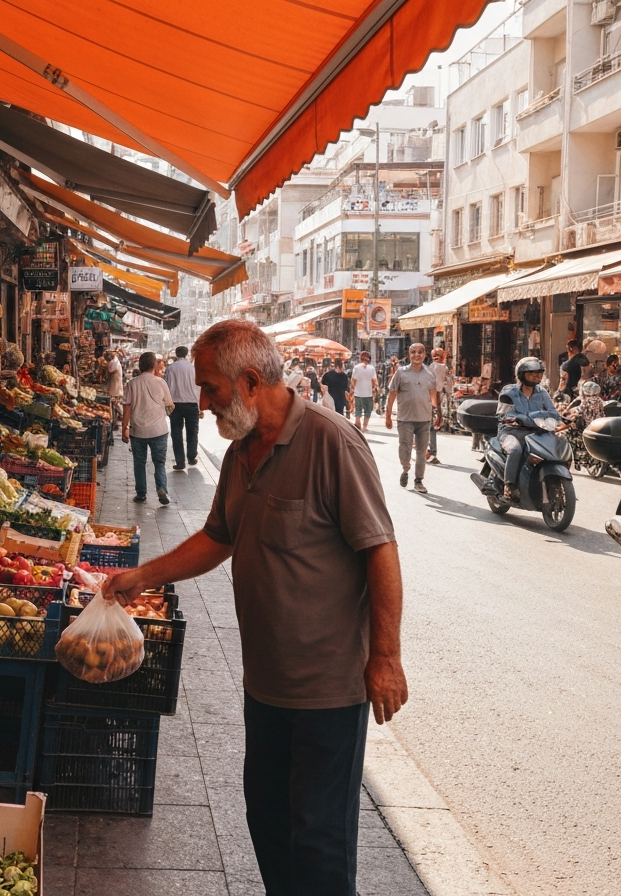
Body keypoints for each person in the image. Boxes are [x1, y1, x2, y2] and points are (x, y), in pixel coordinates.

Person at [105, 320, 405, 896]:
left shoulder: (332, 442)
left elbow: (380, 550)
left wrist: (386, 657)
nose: (203, 402)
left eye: (211, 388)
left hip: (326, 690)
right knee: (267, 820)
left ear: (248, 382)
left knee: (319, 840)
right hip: (264, 683)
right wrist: (142, 577)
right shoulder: (242, 450)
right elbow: (219, 536)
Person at [496, 358, 561, 501]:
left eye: (539, 373)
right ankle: (509, 486)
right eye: (532, 373)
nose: (537, 376)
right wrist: (517, 418)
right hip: (511, 432)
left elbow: (552, 412)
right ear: (521, 374)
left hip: (536, 431)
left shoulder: (542, 392)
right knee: (515, 450)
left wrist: (560, 420)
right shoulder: (509, 391)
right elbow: (504, 414)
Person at [121, 352, 175, 505]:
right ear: (154, 366)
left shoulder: (132, 384)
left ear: (140, 365)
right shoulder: (161, 382)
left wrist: (124, 428)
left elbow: (127, 407)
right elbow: (170, 405)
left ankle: (141, 494)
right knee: (159, 463)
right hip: (159, 430)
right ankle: (161, 489)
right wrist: (164, 412)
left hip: (138, 431)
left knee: (139, 462)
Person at [384, 343, 438, 493]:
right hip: (405, 419)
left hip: (424, 419)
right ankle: (405, 468)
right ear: (409, 355)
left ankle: (418, 480)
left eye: (420, 352)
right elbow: (392, 394)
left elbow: (433, 396)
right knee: (405, 448)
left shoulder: (430, 374)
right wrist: (388, 416)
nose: (417, 355)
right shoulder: (401, 373)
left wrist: (437, 413)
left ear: (425, 354)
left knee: (421, 451)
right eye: (413, 352)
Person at [165, 345, 202, 471]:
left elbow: (167, 387)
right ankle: (191, 457)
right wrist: (200, 407)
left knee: (176, 433)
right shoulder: (193, 369)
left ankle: (180, 462)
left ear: (176, 354)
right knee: (192, 432)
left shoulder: (171, 368)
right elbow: (198, 388)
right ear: (186, 354)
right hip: (192, 404)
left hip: (175, 405)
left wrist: (167, 405)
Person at [426, 348, 452, 464]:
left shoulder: (432, 367)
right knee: (430, 427)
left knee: (428, 426)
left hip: (428, 400)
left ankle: (430, 452)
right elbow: (447, 388)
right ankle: (430, 452)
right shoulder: (443, 368)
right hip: (433, 399)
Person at [350, 351, 378, 432]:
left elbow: (353, 380)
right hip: (368, 393)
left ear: (360, 358)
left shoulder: (356, 368)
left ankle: (358, 424)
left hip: (358, 393)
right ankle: (364, 427)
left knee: (358, 410)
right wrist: (375, 389)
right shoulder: (372, 368)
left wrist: (352, 389)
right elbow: (374, 381)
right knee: (367, 411)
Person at [104, 350, 125, 438]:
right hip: (115, 387)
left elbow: (110, 370)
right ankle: (115, 421)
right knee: (114, 404)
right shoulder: (115, 361)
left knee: (115, 403)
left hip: (115, 387)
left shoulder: (114, 362)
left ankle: (123, 417)